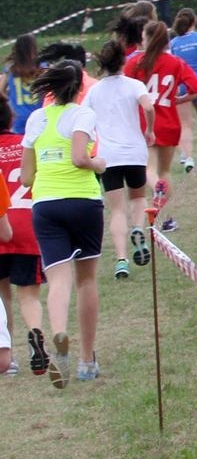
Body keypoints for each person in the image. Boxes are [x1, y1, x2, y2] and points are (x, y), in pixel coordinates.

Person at [20, 62, 105, 385]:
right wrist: (99, 164)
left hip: (46, 204)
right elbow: (80, 158)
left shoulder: (36, 119)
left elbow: (26, 177)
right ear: (80, 88)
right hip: (83, 201)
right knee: (86, 280)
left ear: (50, 89)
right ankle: (87, 360)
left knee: (58, 279)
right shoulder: (83, 114)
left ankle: (59, 337)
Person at [85, 41, 155, 282]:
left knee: (116, 209)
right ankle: (137, 228)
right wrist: (150, 130)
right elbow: (148, 107)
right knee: (138, 197)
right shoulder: (134, 84)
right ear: (123, 61)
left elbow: (84, 117)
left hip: (108, 155)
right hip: (134, 152)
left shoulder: (94, 91)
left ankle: (121, 259)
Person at [125, 22, 196, 233]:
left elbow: (124, 91)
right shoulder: (176, 62)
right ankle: (168, 219)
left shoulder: (135, 63)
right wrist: (178, 99)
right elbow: (196, 89)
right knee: (165, 171)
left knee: (149, 169)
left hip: (145, 123)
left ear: (147, 39)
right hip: (169, 122)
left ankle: (157, 191)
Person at [0, 100, 46, 378]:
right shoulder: (26, 145)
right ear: (10, 119)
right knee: (29, 295)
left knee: (2, 296)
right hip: (29, 227)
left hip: (1, 226)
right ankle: (36, 337)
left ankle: (8, 356)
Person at [168, 9, 197, 168]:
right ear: (194, 21)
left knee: (185, 124)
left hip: (182, 85)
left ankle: (188, 159)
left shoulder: (173, 43)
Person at [4, 35, 42, 130]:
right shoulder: (41, 66)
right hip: (38, 115)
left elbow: (1, 90)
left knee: (18, 139)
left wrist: (10, 101)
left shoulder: (10, 67)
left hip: (17, 115)